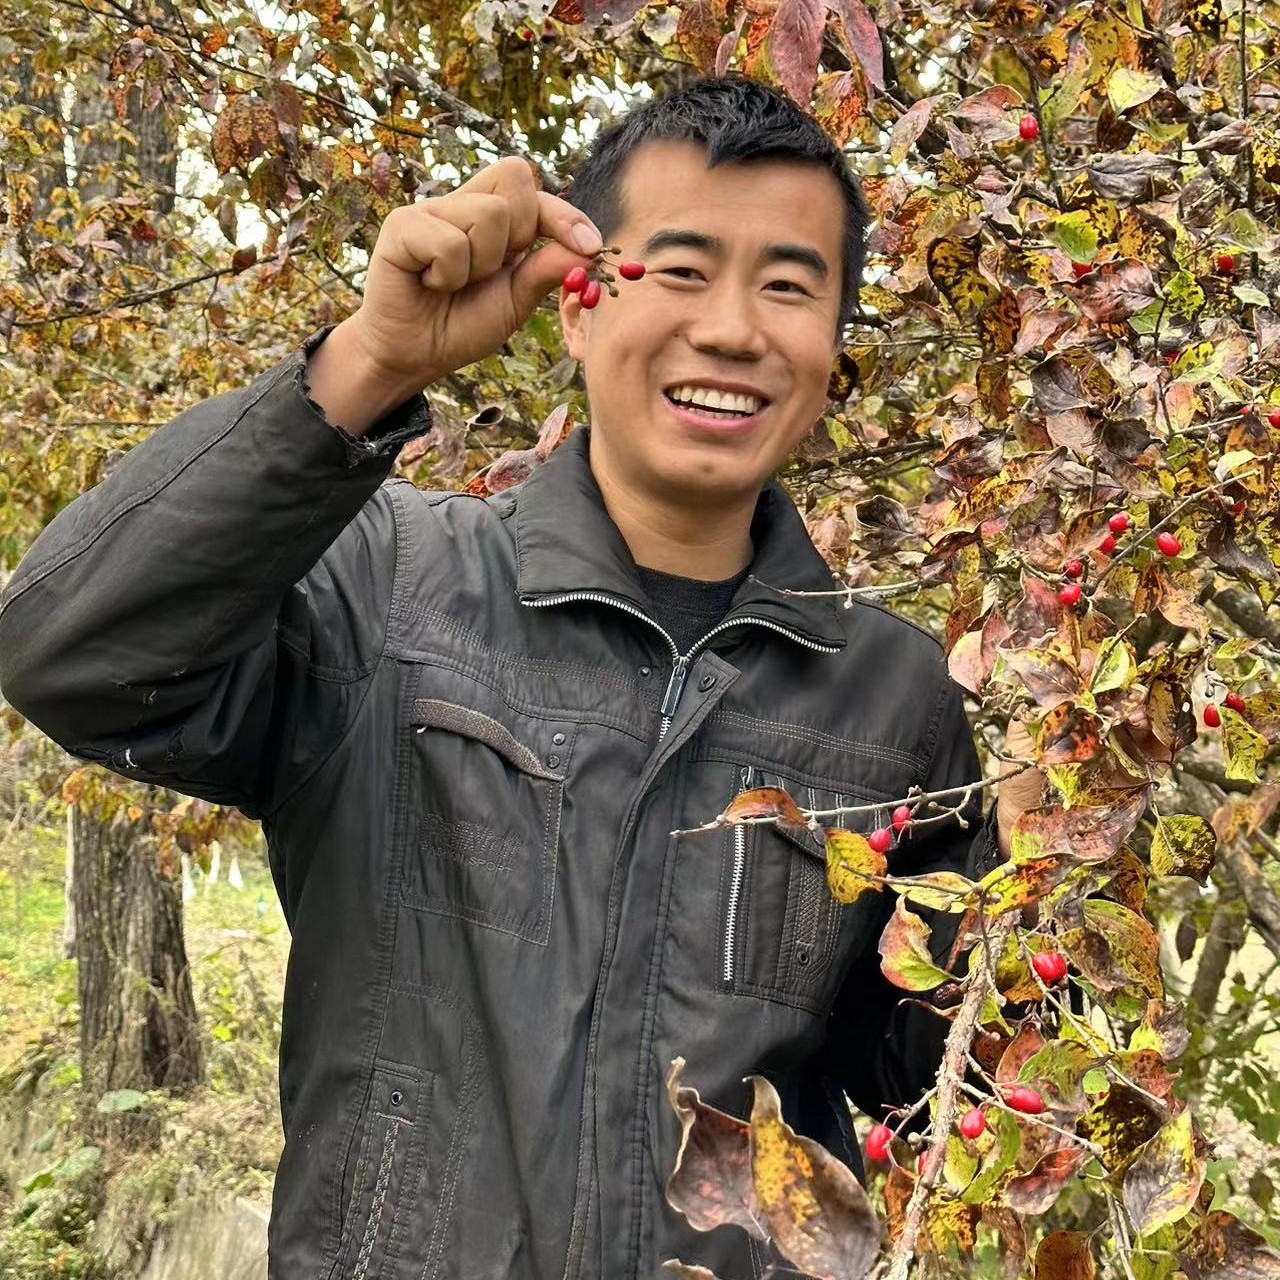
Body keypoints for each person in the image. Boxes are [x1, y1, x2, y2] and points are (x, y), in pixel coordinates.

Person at [0, 75, 1042, 1280]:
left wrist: (1038, 889)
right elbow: (69, 652)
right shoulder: (385, 588)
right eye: (683, 269)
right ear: (580, 306)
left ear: (829, 343)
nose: (733, 328)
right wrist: (367, 364)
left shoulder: (891, 693)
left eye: (788, 285)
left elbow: (917, 1071)